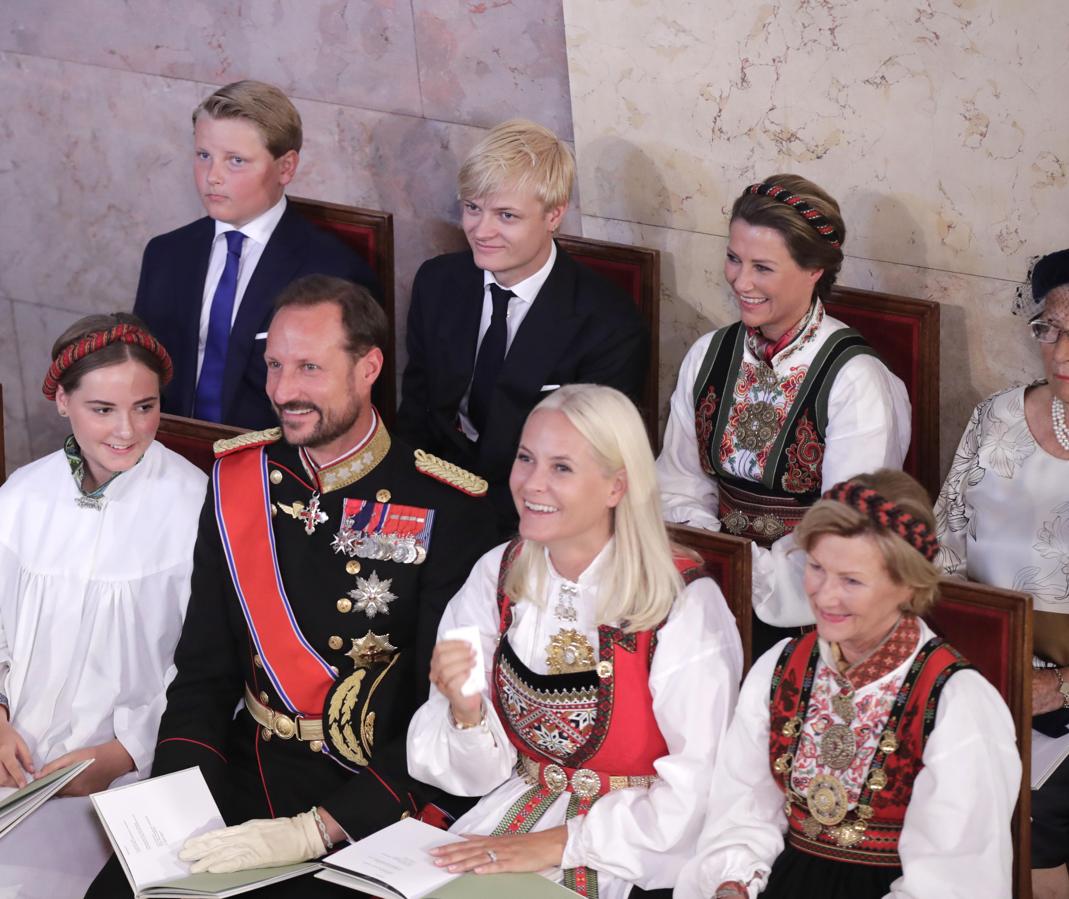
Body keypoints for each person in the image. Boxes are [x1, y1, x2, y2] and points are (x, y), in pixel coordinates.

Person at [86, 276, 497, 897]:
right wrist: (181, 810)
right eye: (275, 365)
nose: (283, 391)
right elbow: (203, 670)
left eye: (309, 367)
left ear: (369, 368)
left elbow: (437, 715)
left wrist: (323, 829)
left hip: (368, 802)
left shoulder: (448, 505)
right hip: (245, 772)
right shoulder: (241, 480)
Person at [406, 384, 743, 899]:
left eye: (561, 468)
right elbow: (467, 775)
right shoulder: (498, 573)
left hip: (631, 851)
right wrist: (467, 711)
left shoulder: (683, 605)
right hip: (507, 809)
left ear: (616, 486)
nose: (531, 484)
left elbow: (700, 786)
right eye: (525, 458)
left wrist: (559, 843)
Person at [674, 470, 1020, 899]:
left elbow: (955, 882)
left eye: (851, 581)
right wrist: (732, 883)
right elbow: (742, 809)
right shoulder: (781, 668)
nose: (824, 596)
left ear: (908, 585)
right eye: (816, 568)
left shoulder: (956, 704)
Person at [657, 175, 910, 652]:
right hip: (705, 579)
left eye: (763, 268)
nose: (741, 281)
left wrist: (749, 577)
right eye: (734, 259)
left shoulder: (857, 380)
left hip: (809, 608)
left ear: (814, 269)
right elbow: (678, 480)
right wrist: (714, 564)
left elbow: (847, 527)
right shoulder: (709, 353)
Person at [0, 313, 206, 898]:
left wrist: (123, 753)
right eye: (103, 409)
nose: (127, 430)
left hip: (126, 779)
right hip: (15, 761)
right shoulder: (22, 496)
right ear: (62, 401)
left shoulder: (196, 509)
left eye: (145, 406)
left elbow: (210, 667)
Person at [397, 119, 649, 535]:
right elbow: (416, 411)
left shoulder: (609, 323)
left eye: (506, 215)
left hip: (531, 519)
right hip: (430, 499)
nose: (481, 230)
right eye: (473, 208)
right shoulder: (437, 283)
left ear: (554, 214)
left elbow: (591, 465)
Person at [935, 247, 1069, 899]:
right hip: (981, 672)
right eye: (1051, 330)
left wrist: (1061, 686)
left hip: (1061, 704)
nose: (1061, 355)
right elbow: (944, 551)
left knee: (1035, 819)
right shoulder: (993, 419)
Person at [134, 79, 378, 428]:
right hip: (169, 453)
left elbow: (341, 408)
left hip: (277, 466)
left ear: (286, 168)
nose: (212, 177)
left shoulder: (334, 271)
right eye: (204, 156)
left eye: (235, 161)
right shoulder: (166, 254)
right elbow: (144, 374)